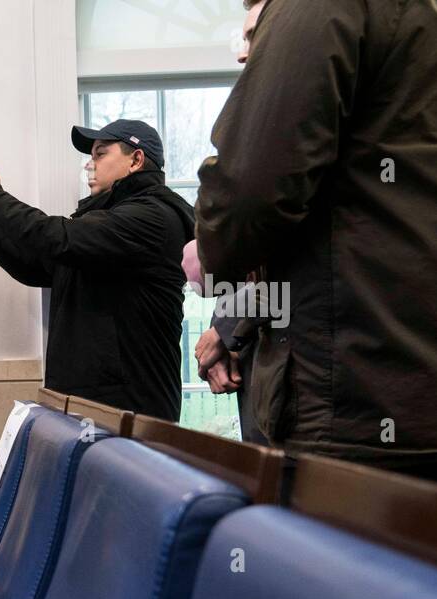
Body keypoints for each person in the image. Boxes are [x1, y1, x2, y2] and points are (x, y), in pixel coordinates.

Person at [193, 0, 437, 480]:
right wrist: (233, 324)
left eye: (258, 36)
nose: (250, 54)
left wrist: (212, 253)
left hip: (357, 406)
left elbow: (247, 201)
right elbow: (351, 245)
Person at [0, 120, 196, 421]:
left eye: (100, 154)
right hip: (99, 406)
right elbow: (35, 265)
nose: (88, 165)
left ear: (136, 160)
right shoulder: (108, 217)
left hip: (131, 410)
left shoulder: (153, 216)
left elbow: (58, 238)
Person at [185, 0, 268, 445]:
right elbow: (252, 276)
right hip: (269, 376)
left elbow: (307, 284)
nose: (241, 53)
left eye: (255, 36)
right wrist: (228, 332)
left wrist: (228, 327)